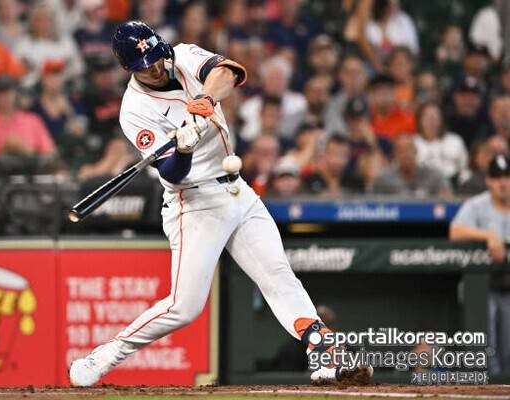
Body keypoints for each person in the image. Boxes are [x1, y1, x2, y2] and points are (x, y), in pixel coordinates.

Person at [69, 20, 372, 387]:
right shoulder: (134, 110)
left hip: (236, 190)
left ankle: (324, 353)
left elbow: (228, 72)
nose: (155, 67)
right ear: (127, 68)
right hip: (194, 203)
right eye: (144, 65)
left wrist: (204, 103)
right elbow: (172, 174)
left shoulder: (182, 55)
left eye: (156, 57)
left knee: (277, 274)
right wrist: (183, 147)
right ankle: (106, 355)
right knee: (184, 307)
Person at [450, 154, 510, 373]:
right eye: (496, 177)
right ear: (488, 181)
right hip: (484, 288)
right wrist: (488, 235)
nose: (502, 183)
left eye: (506, 177)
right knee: (486, 352)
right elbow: (455, 232)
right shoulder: (477, 205)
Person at [0, 75, 55, 159]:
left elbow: (49, 152)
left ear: (15, 93)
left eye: (8, 92)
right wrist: (6, 148)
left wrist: (25, 149)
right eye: (0, 92)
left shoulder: (33, 120)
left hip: (32, 164)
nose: (4, 96)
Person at [14, 2, 85, 88]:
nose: (43, 24)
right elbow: (17, 70)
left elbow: (78, 67)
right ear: (32, 22)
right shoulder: (23, 44)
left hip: (64, 85)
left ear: (53, 21)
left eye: (47, 19)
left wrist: (60, 77)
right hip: (33, 87)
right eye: (39, 20)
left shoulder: (65, 41)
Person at [373, 134, 451, 198]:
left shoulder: (434, 176)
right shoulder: (383, 179)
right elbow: (371, 203)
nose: (406, 154)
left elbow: (448, 199)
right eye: (401, 151)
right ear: (395, 155)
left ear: (416, 151)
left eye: (409, 149)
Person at [413, 101, 468, 183]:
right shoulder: (413, 142)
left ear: (441, 119)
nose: (431, 121)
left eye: (435, 117)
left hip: (453, 183)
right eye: (428, 117)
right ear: (419, 120)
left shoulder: (455, 141)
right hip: (422, 184)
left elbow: (465, 168)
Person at [369, 74, 415, 140]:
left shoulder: (409, 120)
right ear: (372, 95)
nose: (384, 97)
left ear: (394, 93)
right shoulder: (367, 121)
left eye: (388, 92)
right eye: (380, 93)